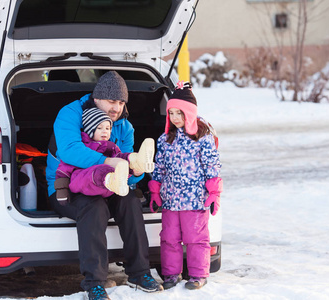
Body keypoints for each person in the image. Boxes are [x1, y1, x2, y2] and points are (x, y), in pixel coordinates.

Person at [45, 71, 163, 300]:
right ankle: (95, 282)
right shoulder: (70, 114)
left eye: (121, 102)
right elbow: (69, 151)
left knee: (130, 201)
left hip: (110, 185)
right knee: (94, 207)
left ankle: (139, 273)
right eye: (112, 101)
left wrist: (135, 171)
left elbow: (127, 175)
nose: (116, 108)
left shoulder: (124, 127)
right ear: (97, 98)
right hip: (69, 185)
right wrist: (108, 161)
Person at [148, 81, 223, 290]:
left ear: (189, 113)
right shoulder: (165, 139)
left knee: (196, 239)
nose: (174, 118)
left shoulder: (203, 138)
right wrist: (155, 191)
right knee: (169, 239)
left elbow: (212, 165)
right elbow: (159, 167)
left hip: (195, 199)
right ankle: (171, 274)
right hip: (171, 199)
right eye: (171, 113)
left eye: (179, 113)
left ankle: (198, 275)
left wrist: (214, 192)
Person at [54, 107, 155, 201]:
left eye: (108, 128)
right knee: (100, 169)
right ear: (90, 130)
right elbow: (63, 170)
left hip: (107, 189)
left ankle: (137, 160)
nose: (104, 132)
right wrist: (62, 191)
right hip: (83, 182)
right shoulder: (81, 147)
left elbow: (118, 160)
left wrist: (133, 169)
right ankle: (111, 180)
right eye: (99, 128)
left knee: (119, 159)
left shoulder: (111, 146)